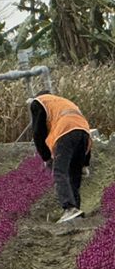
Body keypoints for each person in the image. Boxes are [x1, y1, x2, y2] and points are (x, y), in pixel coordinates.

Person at [28, 92, 92, 223]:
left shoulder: (39, 101)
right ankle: (76, 211)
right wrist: (85, 163)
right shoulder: (64, 102)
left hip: (65, 130)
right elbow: (80, 128)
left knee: (59, 171)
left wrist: (46, 158)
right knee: (74, 174)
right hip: (84, 132)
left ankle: (69, 208)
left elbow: (38, 133)